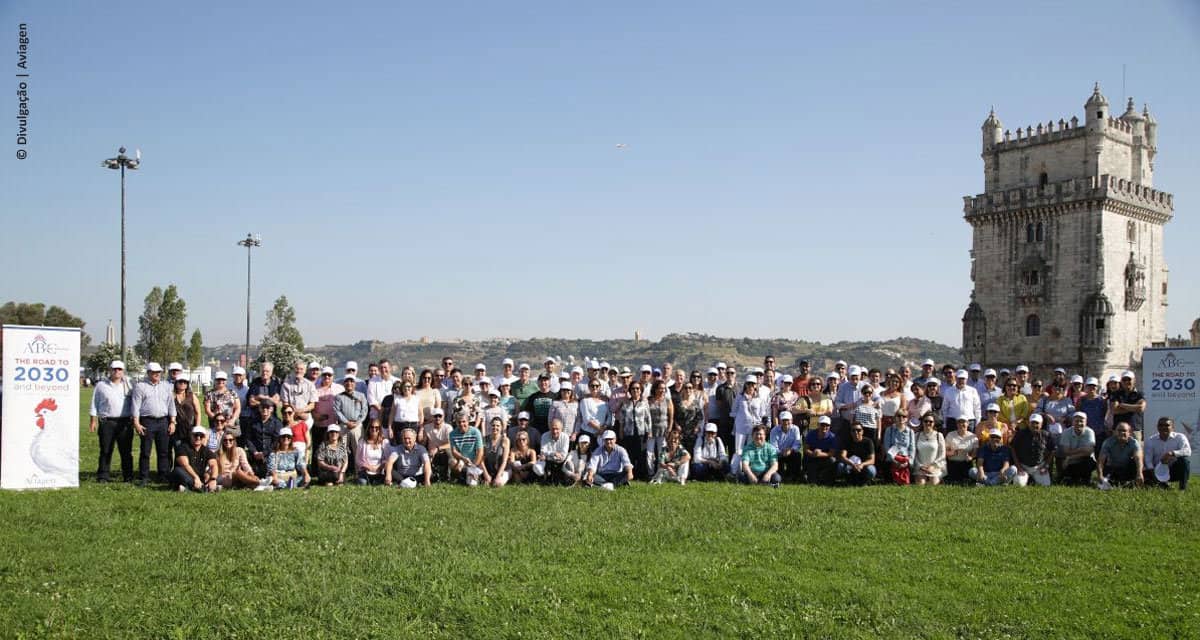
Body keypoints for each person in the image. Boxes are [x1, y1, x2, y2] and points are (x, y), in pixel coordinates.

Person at [132, 362, 177, 485]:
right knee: (145, 450)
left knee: (163, 451)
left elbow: (171, 405)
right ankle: (144, 476)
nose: (157, 374)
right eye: (154, 372)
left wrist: (173, 422)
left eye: (158, 372)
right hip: (147, 421)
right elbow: (135, 406)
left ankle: (163, 475)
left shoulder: (166, 386)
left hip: (163, 420)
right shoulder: (140, 386)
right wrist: (136, 422)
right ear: (148, 373)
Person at [89, 359, 133, 483]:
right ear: (110, 370)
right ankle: (103, 475)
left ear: (123, 371)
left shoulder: (130, 384)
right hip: (107, 422)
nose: (117, 371)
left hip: (125, 422)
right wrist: (93, 420)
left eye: (119, 369)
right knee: (106, 450)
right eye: (114, 369)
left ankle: (128, 476)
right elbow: (94, 403)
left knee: (126, 451)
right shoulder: (101, 385)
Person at [1143, 417, 1190, 490]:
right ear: (1157, 427)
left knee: (1185, 461)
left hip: (1173, 470)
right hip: (1155, 471)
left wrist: (1172, 453)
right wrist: (1154, 475)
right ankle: (1160, 484)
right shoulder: (1150, 440)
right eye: (1160, 425)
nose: (1163, 427)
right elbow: (1148, 461)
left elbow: (1188, 451)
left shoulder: (1180, 437)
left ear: (1172, 427)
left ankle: (1182, 489)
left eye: (1167, 425)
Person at [618, 382, 651, 480]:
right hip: (629, 432)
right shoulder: (625, 403)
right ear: (630, 391)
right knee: (630, 454)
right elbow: (622, 419)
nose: (635, 390)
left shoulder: (644, 403)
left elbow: (648, 418)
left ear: (640, 390)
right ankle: (631, 475)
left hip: (641, 432)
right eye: (633, 388)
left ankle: (642, 475)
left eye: (637, 388)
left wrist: (649, 431)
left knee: (641, 454)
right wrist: (621, 430)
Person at [1010, 414, 1054, 486]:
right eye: (1032, 423)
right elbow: (1012, 448)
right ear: (1029, 423)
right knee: (1018, 484)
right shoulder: (1020, 434)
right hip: (1023, 466)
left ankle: (1031, 479)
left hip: (1039, 467)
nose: (1034, 425)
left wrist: (1045, 466)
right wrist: (1018, 467)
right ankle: (1027, 479)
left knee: (1046, 485)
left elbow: (1053, 450)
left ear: (1041, 424)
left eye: (1037, 423)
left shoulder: (1046, 435)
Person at [171, 426, 217, 492]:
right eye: (196, 435)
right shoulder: (182, 447)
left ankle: (187, 488)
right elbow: (185, 464)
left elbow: (214, 464)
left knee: (209, 474)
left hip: (199, 476)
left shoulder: (206, 450)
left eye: (201, 436)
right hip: (186, 475)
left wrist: (213, 479)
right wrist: (196, 477)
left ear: (204, 438)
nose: (198, 438)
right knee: (178, 471)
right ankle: (203, 488)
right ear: (191, 436)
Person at [1097, 423, 1143, 487]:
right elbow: (1101, 460)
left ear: (1129, 433)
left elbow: (1138, 458)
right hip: (1111, 468)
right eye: (1119, 430)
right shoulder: (1108, 442)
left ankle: (1131, 482)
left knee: (1134, 463)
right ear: (1115, 432)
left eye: (1124, 430)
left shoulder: (1134, 443)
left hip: (1126, 468)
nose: (1121, 433)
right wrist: (1100, 475)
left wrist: (1139, 473)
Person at [1057, 412, 1097, 485]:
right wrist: (1082, 449)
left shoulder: (1090, 432)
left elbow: (1089, 451)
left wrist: (1070, 457)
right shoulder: (1066, 432)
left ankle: (1086, 479)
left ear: (1086, 422)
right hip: (1071, 462)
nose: (1079, 423)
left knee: (1089, 461)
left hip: (1084, 461)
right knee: (1069, 480)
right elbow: (1066, 451)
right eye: (1076, 421)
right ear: (1072, 422)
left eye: (1081, 421)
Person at [645, 381, 675, 476]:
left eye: (664, 388)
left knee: (661, 453)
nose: (662, 390)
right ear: (655, 389)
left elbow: (671, 416)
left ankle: (660, 473)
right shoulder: (648, 400)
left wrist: (670, 428)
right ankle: (650, 473)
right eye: (660, 388)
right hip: (651, 430)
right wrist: (647, 430)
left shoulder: (667, 400)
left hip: (663, 430)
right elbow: (645, 416)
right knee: (649, 453)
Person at [204, 370, 241, 448]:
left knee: (230, 444)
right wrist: (217, 421)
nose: (221, 381)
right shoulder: (209, 394)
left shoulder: (232, 393)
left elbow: (238, 407)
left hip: (229, 423)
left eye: (223, 379)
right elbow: (207, 410)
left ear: (226, 381)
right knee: (215, 445)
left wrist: (233, 419)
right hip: (216, 424)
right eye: (218, 379)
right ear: (215, 380)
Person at [245, 401, 282, 478]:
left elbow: (276, 441)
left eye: (267, 407)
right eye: (263, 407)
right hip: (255, 453)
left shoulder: (277, 423)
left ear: (271, 409)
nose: (265, 409)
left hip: (270, 453)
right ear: (259, 408)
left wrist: (264, 453)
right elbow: (248, 439)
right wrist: (254, 452)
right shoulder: (252, 422)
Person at [881, 408, 916, 484]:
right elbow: (886, 447)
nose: (901, 418)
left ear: (907, 418)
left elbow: (912, 448)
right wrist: (894, 461)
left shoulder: (910, 432)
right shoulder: (889, 430)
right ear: (895, 417)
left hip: (905, 459)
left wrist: (908, 462)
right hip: (892, 459)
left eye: (904, 416)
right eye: (899, 416)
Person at [449, 413, 485, 486]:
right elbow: (454, 451)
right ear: (456, 423)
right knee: (452, 461)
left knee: (472, 485)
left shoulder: (476, 432)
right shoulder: (452, 434)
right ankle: (460, 476)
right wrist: (463, 459)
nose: (461, 424)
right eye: (459, 422)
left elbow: (480, 452)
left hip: (474, 461)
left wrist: (473, 466)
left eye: (464, 421)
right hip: (462, 460)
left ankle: (472, 476)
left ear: (468, 421)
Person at [1110, 371, 1147, 439]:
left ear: (1134, 380)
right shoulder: (1116, 394)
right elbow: (1114, 410)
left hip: (1134, 429)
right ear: (1121, 381)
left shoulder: (1139, 394)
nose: (1127, 382)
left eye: (1129, 379)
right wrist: (1134, 407)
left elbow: (1141, 408)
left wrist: (1122, 405)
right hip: (1118, 430)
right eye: (1124, 380)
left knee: (1136, 449)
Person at [804, 416, 839, 485]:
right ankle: (806, 473)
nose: (824, 427)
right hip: (812, 456)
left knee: (833, 460)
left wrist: (820, 454)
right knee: (812, 481)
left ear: (830, 426)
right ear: (818, 425)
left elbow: (832, 453)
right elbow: (805, 449)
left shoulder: (833, 437)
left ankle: (829, 478)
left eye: (827, 425)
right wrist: (812, 454)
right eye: (822, 425)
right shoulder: (811, 434)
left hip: (825, 457)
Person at [943, 415, 978, 484]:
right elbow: (945, 452)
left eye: (963, 422)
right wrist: (955, 452)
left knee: (966, 481)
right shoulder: (950, 435)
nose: (961, 424)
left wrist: (971, 457)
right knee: (953, 481)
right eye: (959, 422)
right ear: (956, 424)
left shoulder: (973, 437)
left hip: (966, 463)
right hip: (952, 463)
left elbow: (975, 452)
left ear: (968, 423)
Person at [769, 411, 803, 481]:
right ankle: (780, 474)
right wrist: (781, 452)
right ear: (780, 421)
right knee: (774, 457)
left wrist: (790, 450)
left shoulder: (795, 429)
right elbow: (773, 446)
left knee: (797, 455)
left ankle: (794, 475)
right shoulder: (774, 430)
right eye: (783, 420)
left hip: (790, 451)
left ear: (792, 420)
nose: (786, 422)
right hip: (778, 453)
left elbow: (797, 444)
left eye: (788, 420)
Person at [912, 415, 946, 485]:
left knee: (933, 483)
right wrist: (920, 466)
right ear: (922, 422)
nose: (928, 423)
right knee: (920, 484)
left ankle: (939, 479)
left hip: (935, 467)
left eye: (931, 421)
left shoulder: (939, 435)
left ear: (934, 423)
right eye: (926, 421)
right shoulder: (917, 435)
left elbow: (942, 454)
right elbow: (914, 453)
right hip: (920, 467)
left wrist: (933, 466)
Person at [421, 408, 452, 482]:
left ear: (443, 417)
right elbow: (424, 443)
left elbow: (451, 444)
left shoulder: (448, 427)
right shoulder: (427, 427)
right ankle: (427, 477)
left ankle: (449, 476)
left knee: (449, 453)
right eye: (435, 416)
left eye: (439, 416)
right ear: (432, 417)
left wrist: (438, 448)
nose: (437, 418)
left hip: (444, 449)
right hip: (431, 451)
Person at [578, 379, 613, 444]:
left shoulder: (605, 402)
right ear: (589, 387)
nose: (595, 388)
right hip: (588, 433)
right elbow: (586, 419)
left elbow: (609, 416)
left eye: (597, 386)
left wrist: (603, 429)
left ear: (600, 387)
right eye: (592, 386)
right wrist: (600, 429)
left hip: (601, 434)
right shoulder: (584, 401)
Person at [538, 418, 571, 485]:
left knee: (569, 464)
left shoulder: (565, 437)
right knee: (537, 467)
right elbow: (542, 451)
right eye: (553, 428)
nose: (555, 431)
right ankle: (542, 479)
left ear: (561, 429)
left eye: (557, 429)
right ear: (550, 428)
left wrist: (548, 456)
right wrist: (554, 453)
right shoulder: (544, 435)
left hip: (560, 462)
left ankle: (567, 480)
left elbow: (563, 456)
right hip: (548, 461)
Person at [482, 417, 511, 487]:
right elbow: (481, 460)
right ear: (490, 426)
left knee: (498, 484)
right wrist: (486, 475)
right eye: (493, 425)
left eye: (498, 426)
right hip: (489, 470)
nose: (495, 427)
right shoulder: (484, 440)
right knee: (485, 485)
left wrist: (498, 477)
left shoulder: (505, 440)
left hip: (503, 469)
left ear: (501, 428)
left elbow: (504, 461)